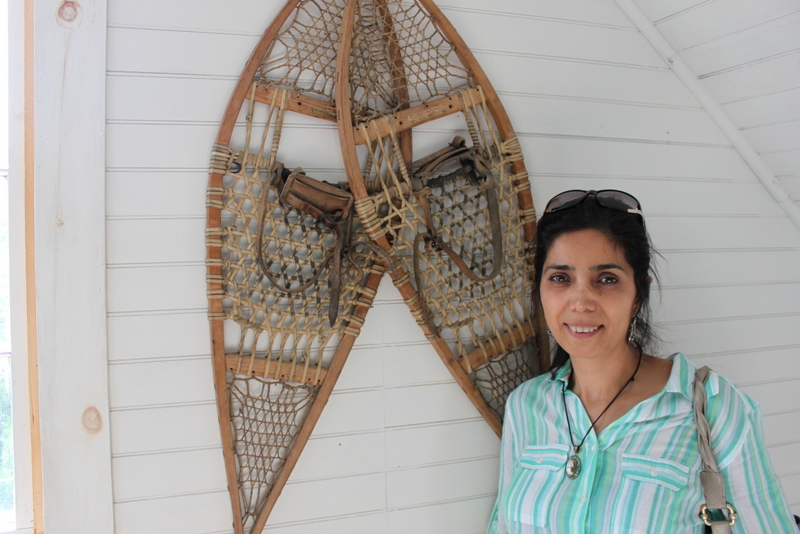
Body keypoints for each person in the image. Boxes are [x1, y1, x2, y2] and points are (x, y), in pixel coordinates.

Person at [487, 190, 797, 533]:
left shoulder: (712, 407)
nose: (580, 301)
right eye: (560, 278)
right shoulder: (526, 405)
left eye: (606, 279)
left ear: (639, 294)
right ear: (540, 290)